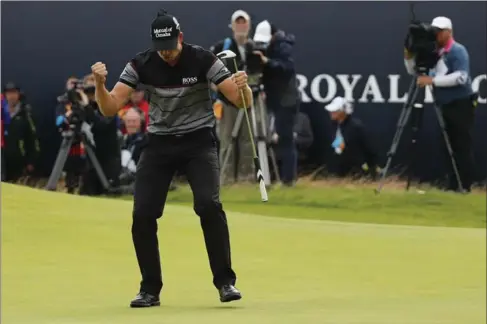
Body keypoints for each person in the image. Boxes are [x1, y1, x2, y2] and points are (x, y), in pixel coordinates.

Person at [90, 9, 253, 307]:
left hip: (198, 142)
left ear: (180, 37)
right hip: (159, 144)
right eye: (160, 48)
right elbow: (110, 107)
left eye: (170, 46)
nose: (166, 54)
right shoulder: (141, 63)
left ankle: (225, 282)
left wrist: (245, 87)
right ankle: (149, 289)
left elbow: (240, 101)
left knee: (208, 205)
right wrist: (100, 85)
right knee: (142, 215)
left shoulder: (203, 58)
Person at [404, 16, 477, 192]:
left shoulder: (458, 50)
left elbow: (461, 77)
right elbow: (413, 71)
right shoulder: (434, 52)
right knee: (447, 146)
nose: (436, 34)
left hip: (461, 104)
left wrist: (433, 80)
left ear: (448, 32)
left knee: (460, 146)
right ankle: (452, 185)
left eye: (439, 31)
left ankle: (464, 187)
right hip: (445, 104)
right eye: (434, 30)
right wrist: (408, 55)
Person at [252, 20, 300, 186]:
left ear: (272, 36)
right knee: (272, 139)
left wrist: (267, 62)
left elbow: (287, 69)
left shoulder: (283, 47)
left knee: (285, 140)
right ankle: (270, 178)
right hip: (273, 99)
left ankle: (288, 181)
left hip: (286, 101)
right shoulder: (264, 48)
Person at [210, 10, 254, 183]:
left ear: (249, 26)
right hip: (227, 102)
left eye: (244, 23)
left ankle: (246, 179)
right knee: (227, 140)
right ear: (232, 26)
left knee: (247, 141)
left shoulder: (254, 47)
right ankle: (226, 181)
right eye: (238, 23)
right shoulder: (223, 46)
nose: (241, 26)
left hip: (249, 101)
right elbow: (209, 71)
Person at [325, 96, 379, 179]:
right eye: (331, 111)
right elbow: (337, 147)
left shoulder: (356, 127)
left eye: (335, 111)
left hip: (357, 171)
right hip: (339, 170)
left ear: (343, 112)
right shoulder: (333, 125)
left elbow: (368, 148)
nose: (331, 113)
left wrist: (372, 168)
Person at [2, 82, 40, 182]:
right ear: (5, 95)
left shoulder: (25, 114)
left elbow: (32, 139)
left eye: (14, 93)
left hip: (18, 161)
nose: (11, 96)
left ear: (19, 94)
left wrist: (31, 161)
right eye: (9, 93)